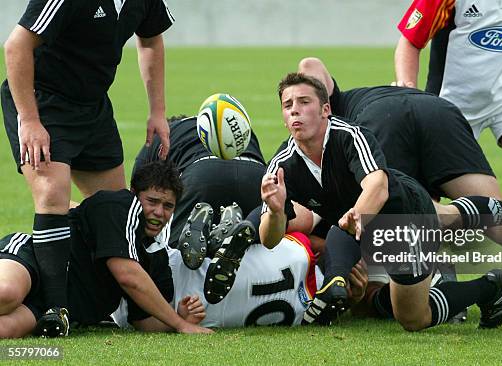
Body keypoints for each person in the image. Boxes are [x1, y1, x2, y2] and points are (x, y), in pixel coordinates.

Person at [297, 57, 502, 323]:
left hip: (383, 122)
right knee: (493, 220)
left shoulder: (341, 133)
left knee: (406, 219)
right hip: (437, 111)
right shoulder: (340, 100)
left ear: (325, 108)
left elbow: (339, 220)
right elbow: (310, 65)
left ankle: (445, 284)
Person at [1, 0, 175, 331]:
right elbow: (16, 45)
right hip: (42, 99)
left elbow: (151, 40)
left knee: (116, 214)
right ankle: (57, 308)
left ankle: (102, 303)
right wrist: (30, 119)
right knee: (52, 193)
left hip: (92, 106)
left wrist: (157, 111)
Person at [394, 0, 502, 314]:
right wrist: (409, 89)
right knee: (430, 195)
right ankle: (442, 283)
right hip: (451, 100)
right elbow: (410, 40)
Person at [0, 161, 212, 338]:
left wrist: (181, 317)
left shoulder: (157, 256)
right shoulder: (119, 206)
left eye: (168, 206)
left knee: (6, 329)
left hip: (52, 305)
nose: (158, 212)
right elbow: (127, 275)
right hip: (32, 262)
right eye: (152, 201)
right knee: (7, 293)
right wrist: (180, 324)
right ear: (134, 195)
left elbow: (145, 323)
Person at [113, 227, 369, 328]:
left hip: (179, 279)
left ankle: (224, 228)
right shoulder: (307, 313)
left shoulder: (300, 249)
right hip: (184, 304)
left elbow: (332, 241)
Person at [133, 114, 267, 247]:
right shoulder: (236, 130)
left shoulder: (163, 132)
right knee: (254, 248)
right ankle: (229, 235)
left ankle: (208, 238)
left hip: (202, 173)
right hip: (255, 174)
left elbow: (134, 193)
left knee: (176, 251)